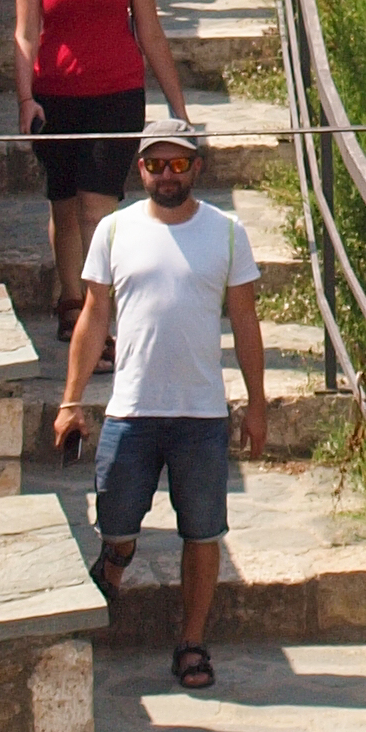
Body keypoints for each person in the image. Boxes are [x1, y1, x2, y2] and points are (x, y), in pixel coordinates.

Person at [55, 123, 268, 692]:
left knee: (202, 534)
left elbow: (245, 321)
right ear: (140, 170)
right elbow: (94, 315)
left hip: (200, 414)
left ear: (197, 168)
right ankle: (117, 556)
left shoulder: (226, 233)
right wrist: (72, 400)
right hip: (132, 410)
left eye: (179, 166)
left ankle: (191, 642)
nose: (167, 176)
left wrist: (257, 405)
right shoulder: (114, 230)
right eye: (156, 166)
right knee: (118, 520)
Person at [14, 0, 191, 306]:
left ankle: (95, 312)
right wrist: (24, 99)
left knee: (96, 210)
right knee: (64, 206)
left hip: (117, 94)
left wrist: (178, 104)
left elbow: (149, 29)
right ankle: (71, 302)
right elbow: (26, 31)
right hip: (55, 97)